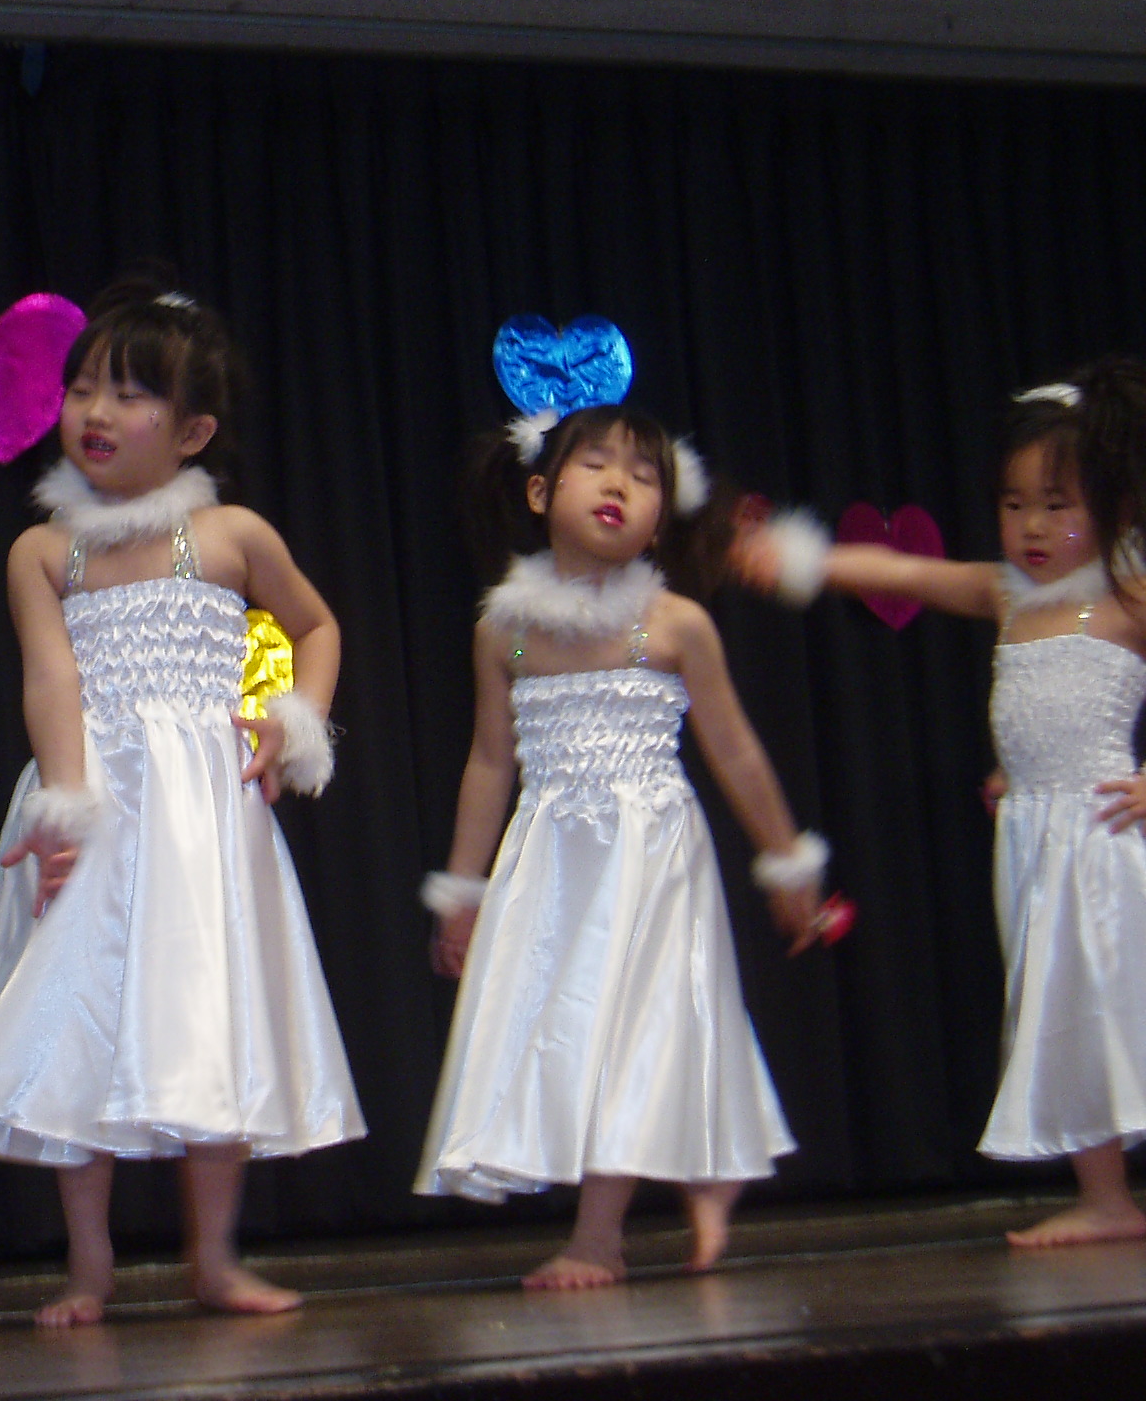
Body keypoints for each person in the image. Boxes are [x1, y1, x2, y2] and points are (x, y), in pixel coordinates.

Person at [0, 282, 362, 1327]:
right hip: (93, 795)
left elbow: (315, 627)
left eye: (130, 395)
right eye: (83, 389)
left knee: (212, 1017)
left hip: (202, 813)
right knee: (74, 1018)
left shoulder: (230, 535)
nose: (97, 412)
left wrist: (292, 721)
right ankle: (90, 1263)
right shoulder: (45, 550)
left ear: (193, 430)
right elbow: (50, 680)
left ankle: (214, 1257)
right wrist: (66, 805)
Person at [735, 361, 1146, 1249]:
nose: (1031, 527)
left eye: (1058, 506)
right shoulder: (1006, 594)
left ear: (1115, 507)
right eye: (1014, 504)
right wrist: (802, 558)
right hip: (1035, 843)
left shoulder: (1127, 598)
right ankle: (1108, 1197)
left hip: (1108, 837)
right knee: (1065, 1011)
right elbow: (900, 570)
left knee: (1128, 1002)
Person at [417, 401, 823, 1289]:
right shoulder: (503, 631)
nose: (620, 485)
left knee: (641, 1021)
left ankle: (600, 1234)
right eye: (598, 465)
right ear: (540, 491)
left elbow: (737, 751)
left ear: (661, 517)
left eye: (644, 477)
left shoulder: (675, 624)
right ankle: (711, 1166)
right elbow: (490, 761)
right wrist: (463, 890)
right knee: (578, 1026)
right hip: (553, 855)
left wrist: (787, 861)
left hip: (651, 849)